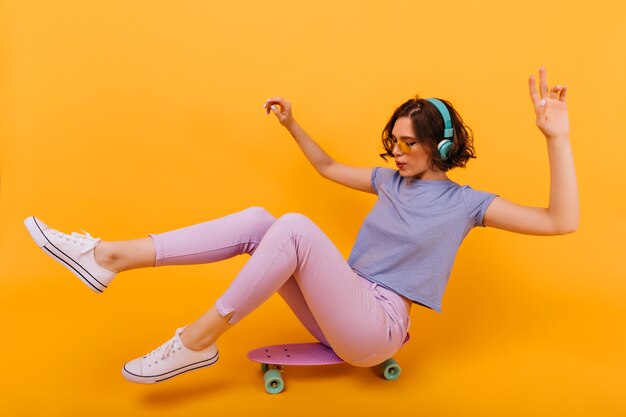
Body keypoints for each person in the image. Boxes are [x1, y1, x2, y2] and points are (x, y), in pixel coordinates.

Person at [23, 67, 578, 385]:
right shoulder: (390, 182)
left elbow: (561, 221)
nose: (397, 152)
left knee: (288, 227)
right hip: (344, 309)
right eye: (393, 142)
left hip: (377, 327)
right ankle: (107, 257)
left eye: (408, 143)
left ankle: (196, 342)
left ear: (443, 146)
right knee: (262, 222)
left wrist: (557, 138)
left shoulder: (465, 203)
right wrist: (293, 124)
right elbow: (330, 167)